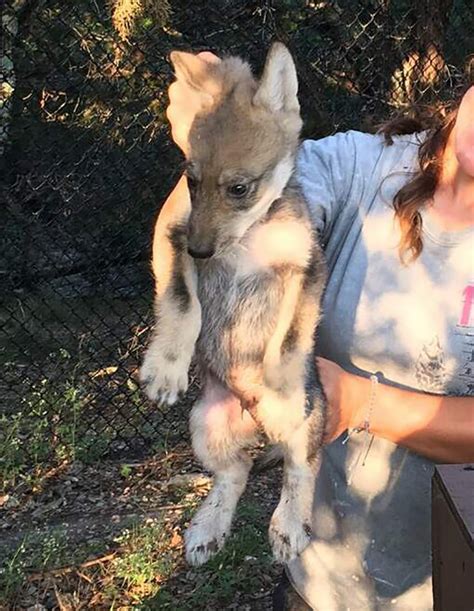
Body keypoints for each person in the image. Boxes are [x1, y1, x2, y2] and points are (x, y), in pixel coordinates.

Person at [165, 51, 474, 610]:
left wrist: (359, 402)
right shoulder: (363, 166)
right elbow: (204, 237)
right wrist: (210, 138)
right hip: (322, 577)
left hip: (452, 582)